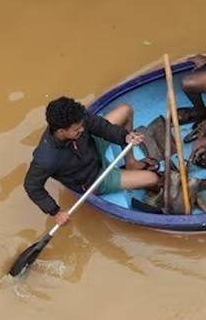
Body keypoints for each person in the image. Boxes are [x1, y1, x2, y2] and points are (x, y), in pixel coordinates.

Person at [23, 97, 160, 227]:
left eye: (81, 125)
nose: (82, 129)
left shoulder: (79, 118)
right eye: (76, 129)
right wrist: (55, 212)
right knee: (152, 178)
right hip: (95, 178)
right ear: (61, 131)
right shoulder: (46, 158)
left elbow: (100, 126)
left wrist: (125, 137)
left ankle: (131, 163)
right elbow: (32, 186)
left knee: (125, 110)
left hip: (93, 149)